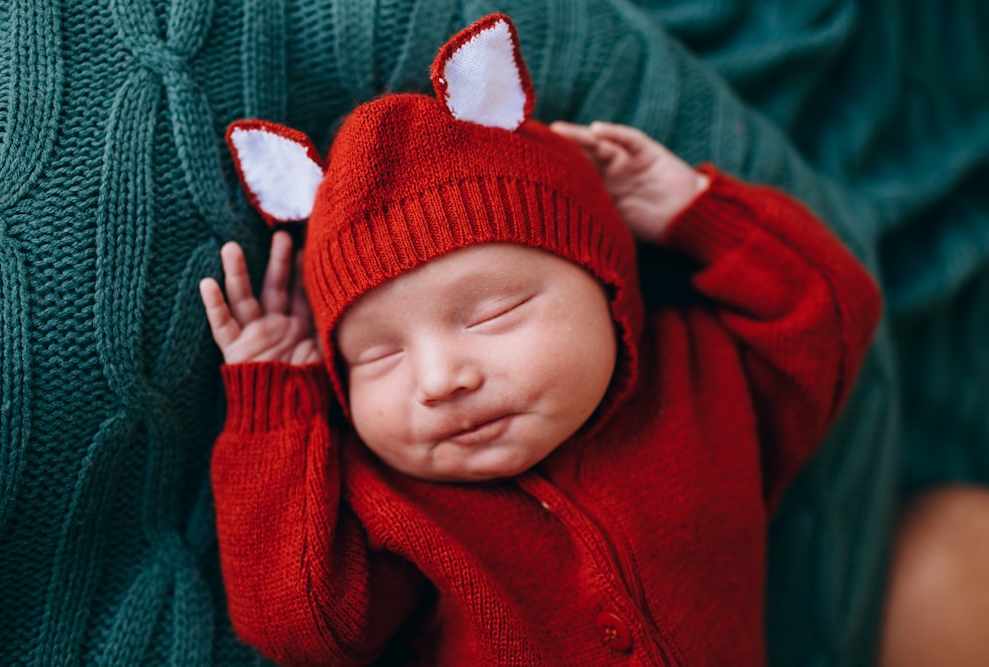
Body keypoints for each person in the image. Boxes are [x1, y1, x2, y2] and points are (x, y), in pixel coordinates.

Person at [200, 14, 882, 666]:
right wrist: (278, 406)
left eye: (495, 313)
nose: (440, 379)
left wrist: (690, 213)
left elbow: (829, 312)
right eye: (379, 355)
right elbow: (301, 623)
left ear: (609, 283)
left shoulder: (703, 386)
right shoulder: (396, 500)